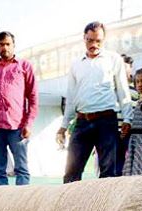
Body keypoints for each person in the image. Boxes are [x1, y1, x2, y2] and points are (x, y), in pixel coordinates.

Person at [56, 22, 129, 183]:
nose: (94, 45)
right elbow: (71, 97)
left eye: (98, 41)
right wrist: (64, 126)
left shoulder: (114, 59)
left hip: (107, 121)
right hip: (82, 121)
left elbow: (123, 91)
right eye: (90, 40)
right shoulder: (76, 64)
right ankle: (68, 207)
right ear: (84, 39)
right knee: (71, 172)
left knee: (108, 173)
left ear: (104, 40)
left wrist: (127, 119)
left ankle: (105, 208)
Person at [0, 31, 38, 186]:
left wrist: (29, 123)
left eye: (7, 44)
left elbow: (33, 98)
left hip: (17, 126)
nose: (4, 47)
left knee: (21, 168)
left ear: (14, 46)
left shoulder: (24, 67)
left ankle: (22, 205)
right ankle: (1, 207)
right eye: (1, 44)